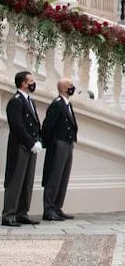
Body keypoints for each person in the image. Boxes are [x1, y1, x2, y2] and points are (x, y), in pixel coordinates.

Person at [2, 71, 42, 227]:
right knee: (16, 181)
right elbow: (17, 126)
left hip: (30, 146)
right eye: (31, 81)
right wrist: (30, 143)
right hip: (20, 146)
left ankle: (21, 213)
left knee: (27, 181)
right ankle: (8, 214)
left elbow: (35, 123)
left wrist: (38, 140)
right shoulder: (15, 101)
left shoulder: (30, 101)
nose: (33, 83)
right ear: (23, 83)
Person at [41, 78, 78, 221]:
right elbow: (48, 126)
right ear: (63, 89)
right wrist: (51, 143)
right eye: (70, 86)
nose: (72, 88)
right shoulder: (57, 105)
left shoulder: (68, 104)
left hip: (68, 143)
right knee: (54, 177)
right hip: (59, 144)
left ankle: (57, 207)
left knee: (63, 177)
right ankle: (49, 209)